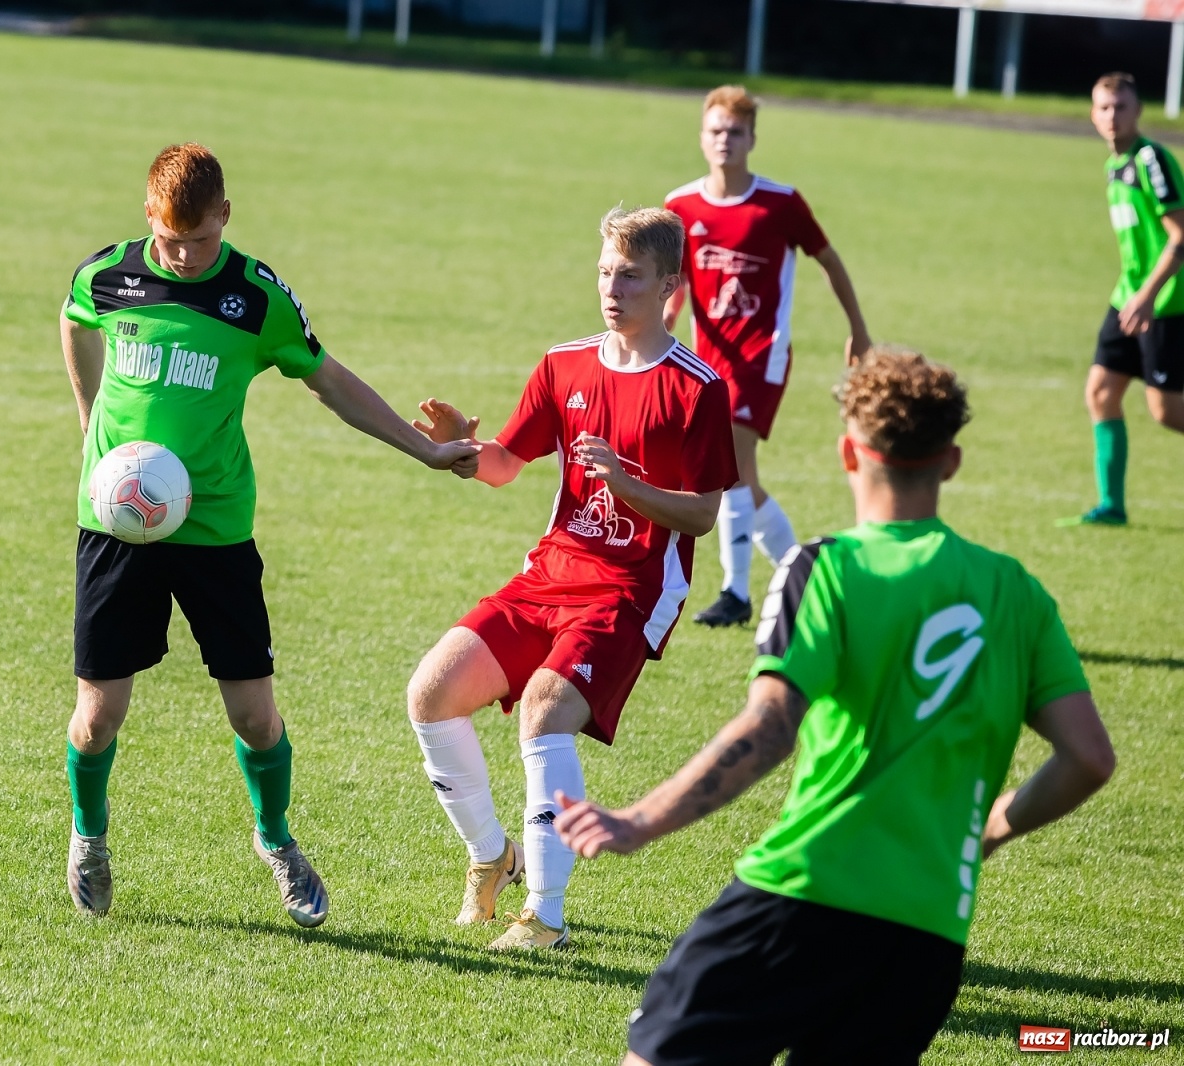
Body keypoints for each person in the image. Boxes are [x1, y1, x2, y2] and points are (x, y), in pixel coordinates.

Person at [556, 350, 1116, 1065]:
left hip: (802, 897)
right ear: (951, 462)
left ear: (848, 453)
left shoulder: (827, 567)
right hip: (928, 933)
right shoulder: (1018, 593)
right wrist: (990, 829)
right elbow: (1089, 757)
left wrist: (639, 821)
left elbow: (770, 728)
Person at [60, 143, 479, 924]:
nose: (186, 257)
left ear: (226, 214)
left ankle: (277, 839)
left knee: (254, 716)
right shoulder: (106, 277)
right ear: (148, 215)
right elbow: (74, 320)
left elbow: (330, 381)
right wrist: (91, 424)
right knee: (96, 718)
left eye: (201, 239)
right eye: (171, 240)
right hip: (116, 527)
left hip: (216, 527)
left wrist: (423, 450)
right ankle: (89, 835)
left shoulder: (255, 299)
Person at [406, 207, 738, 950]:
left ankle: (544, 915)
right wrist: (465, 449)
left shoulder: (697, 388)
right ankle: (493, 857)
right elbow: (504, 466)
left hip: (633, 588)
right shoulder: (564, 365)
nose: (612, 289)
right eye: (604, 273)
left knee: (544, 711)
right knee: (431, 694)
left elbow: (702, 514)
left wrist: (625, 484)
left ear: (669, 287)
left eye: (631, 276)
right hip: (551, 571)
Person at [664, 85, 872, 627]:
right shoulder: (681, 206)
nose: (724, 140)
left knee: (730, 470)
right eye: (716, 130)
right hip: (709, 359)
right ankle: (805, 577)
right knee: (742, 480)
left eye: (735, 132)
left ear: (752, 138)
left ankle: (735, 594)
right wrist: (668, 313)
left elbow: (830, 261)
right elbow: (677, 277)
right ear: (701, 137)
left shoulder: (779, 204)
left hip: (763, 354)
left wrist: (858, 328)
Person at [1067, 72, 1184, 526]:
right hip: (1128, 298)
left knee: (1167, 412)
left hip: (1166, 302)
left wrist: (1149, 295)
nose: (1112, 116)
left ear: (1138, 111)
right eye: (1104, 107)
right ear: (1093, 114)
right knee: (1101, 391)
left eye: (1121, 107)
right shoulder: (1114, 164)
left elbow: (1180, 235)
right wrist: (1135, 296)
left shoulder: (1152, 161)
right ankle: (1111, 507)